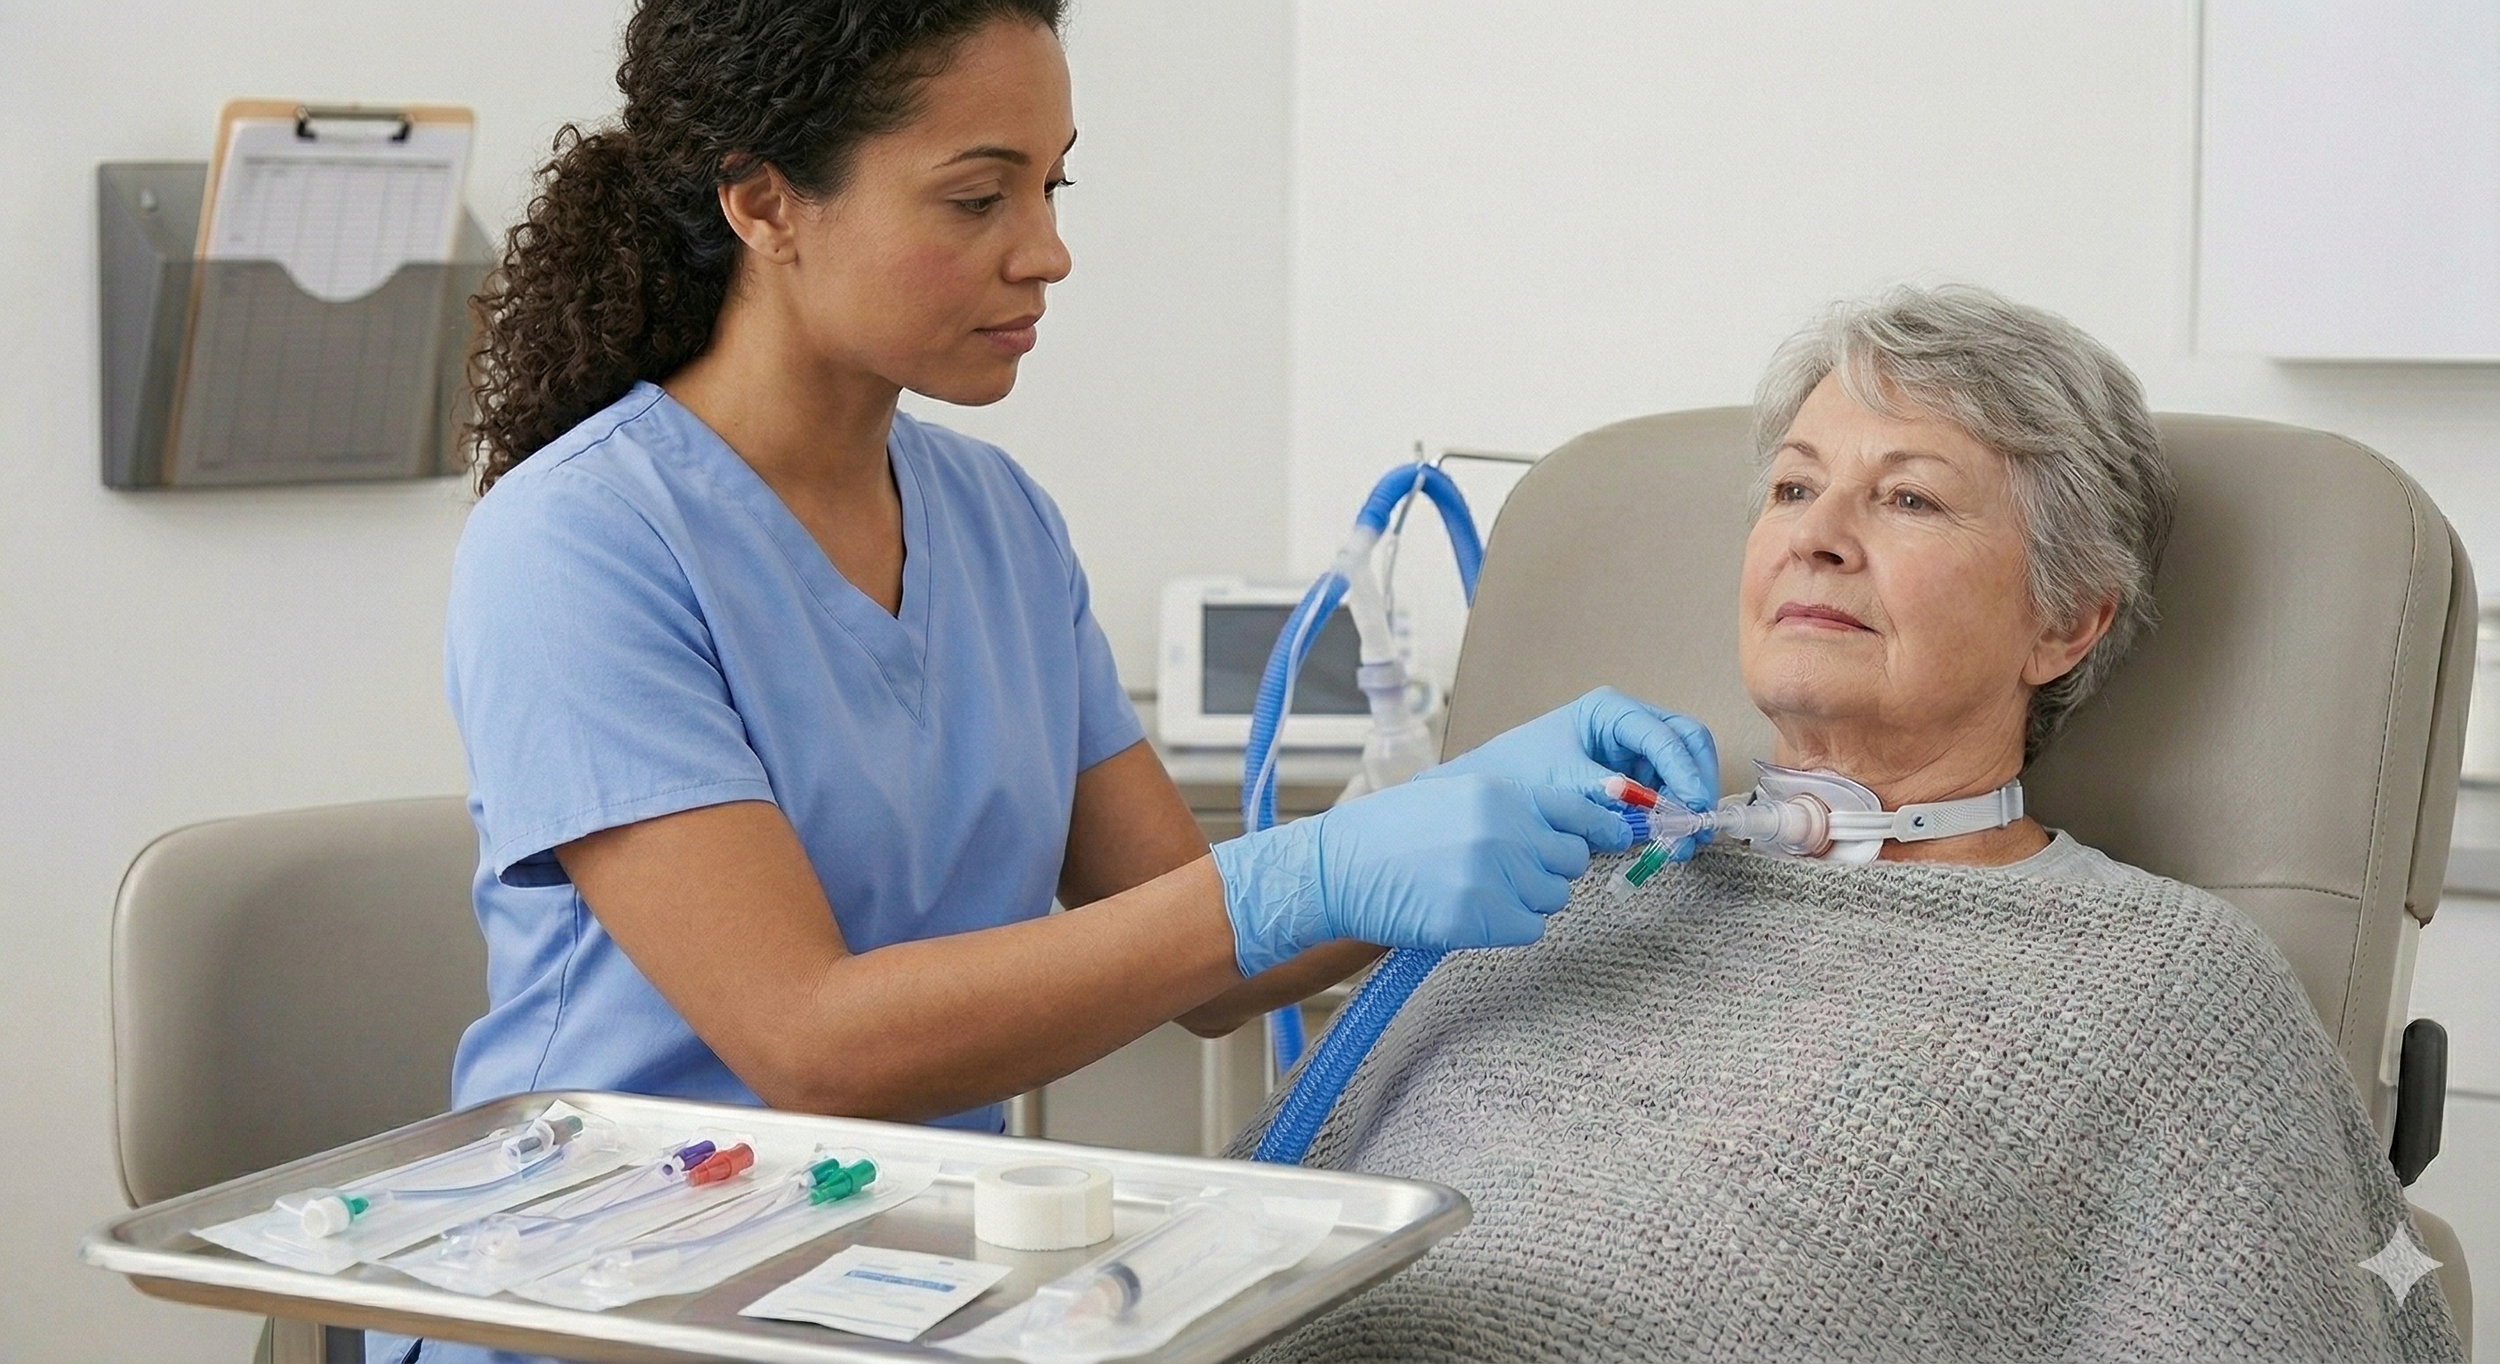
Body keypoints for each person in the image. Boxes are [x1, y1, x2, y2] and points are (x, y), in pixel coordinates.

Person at [375, 4, 1716, 1362]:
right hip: (598, 1299)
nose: (1048, 250)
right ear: (766, 204)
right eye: (976, 197)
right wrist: (1306, 872)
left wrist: (1483, 807)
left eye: (1052, 182)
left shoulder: (999, 523)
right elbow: (815, 1043)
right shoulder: (581, 544)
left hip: (891, 1297)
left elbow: (1193, 957)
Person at [1243, 285, 2468, 1362]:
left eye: (1909, 500)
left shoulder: (2165, 988)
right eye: (1790, 486)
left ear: (2066, 621)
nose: (1814, 537)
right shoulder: (1553, 871)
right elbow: (1235, 1226)